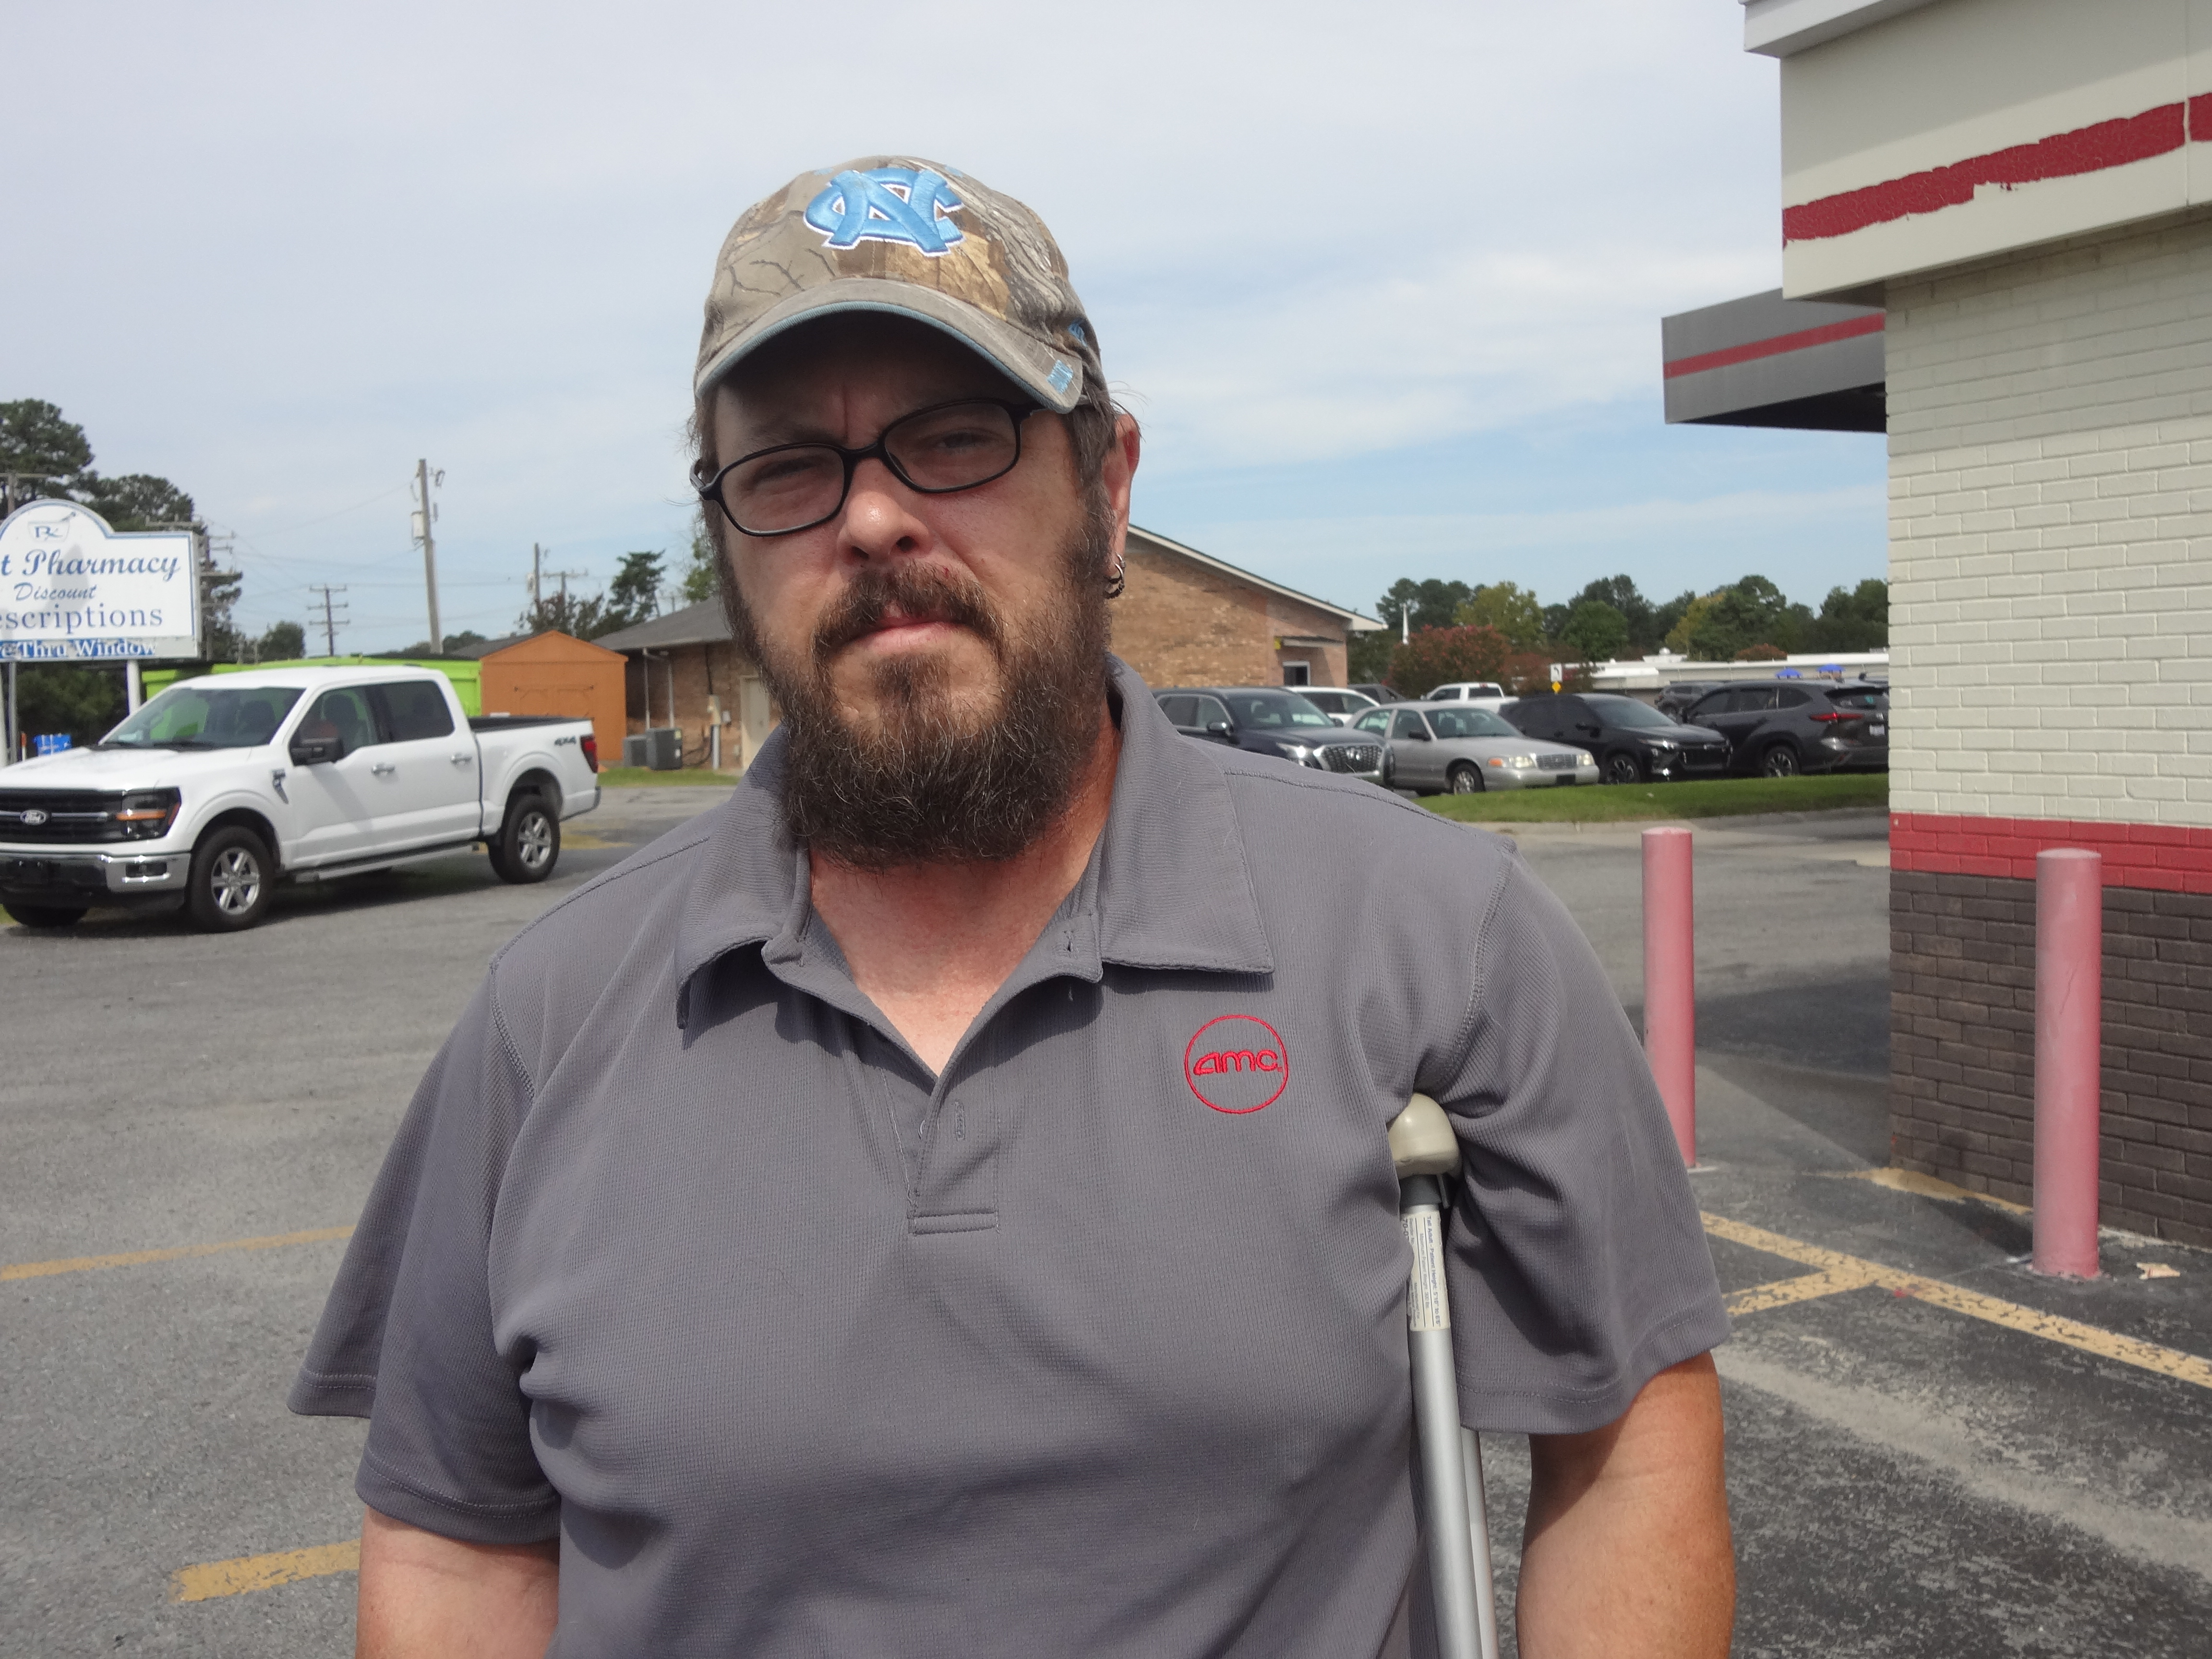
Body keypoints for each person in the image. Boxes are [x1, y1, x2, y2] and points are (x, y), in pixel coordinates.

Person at [292, 157, 1734, 1659]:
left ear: (1105, 490)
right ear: (727, 539)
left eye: (956, 440)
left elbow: (1627, 1451)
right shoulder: (551, 1013)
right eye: (787, 467)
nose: (870, 521)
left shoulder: (1441, 940)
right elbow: (459, 1557)